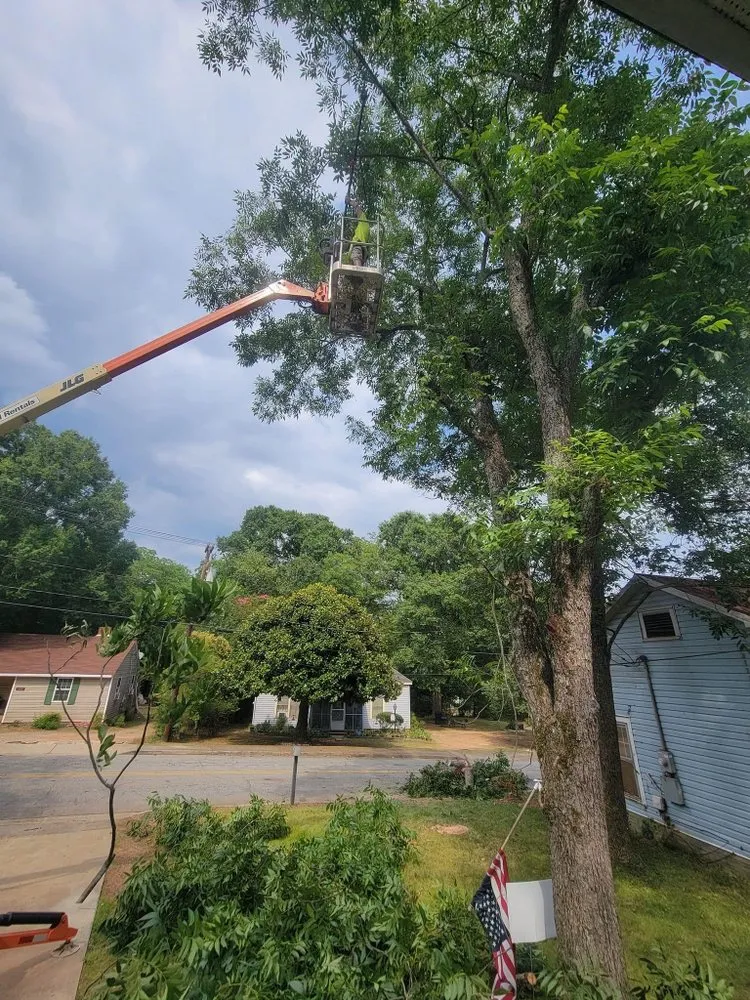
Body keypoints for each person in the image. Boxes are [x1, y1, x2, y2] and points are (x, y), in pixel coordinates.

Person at [345, 194, 370, 267]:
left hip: (358, 246)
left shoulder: (363, 222)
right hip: (359, 250)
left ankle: (358, 269)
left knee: (356, 259)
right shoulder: (361, 227)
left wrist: (350, 201)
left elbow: (357, 209)